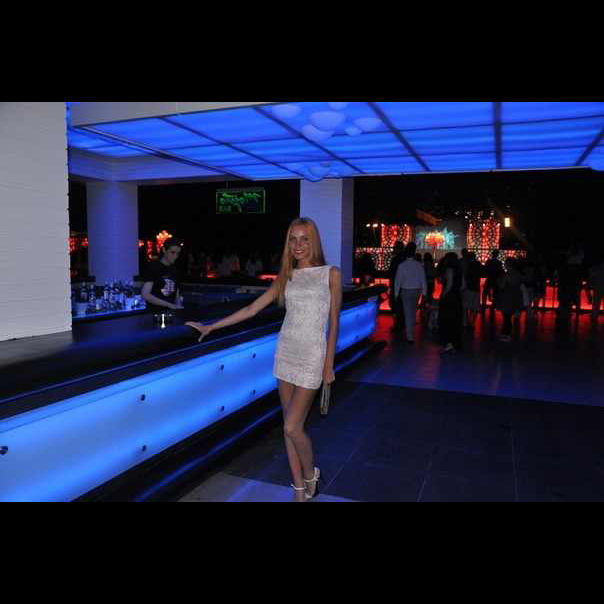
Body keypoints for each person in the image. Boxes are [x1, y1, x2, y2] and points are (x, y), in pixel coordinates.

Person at [186, 217, 342, 503]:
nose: (298, 245)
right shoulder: (286, 277)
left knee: (293, 426)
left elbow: (334, 323)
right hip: (286, 352)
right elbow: (251, 309)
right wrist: (211, 327)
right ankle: (298, 489)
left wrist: (328, 364)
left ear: (314, 241)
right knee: (288, 426)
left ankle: (311, 474)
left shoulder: (330, 274)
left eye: (304, 239)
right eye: (293, 239)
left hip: (312, 356)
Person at [394, 242, 427, 344]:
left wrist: (396, 293)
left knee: (407, 312)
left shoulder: (402, 265)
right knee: (413, 312)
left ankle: (410, 336)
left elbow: (397, 281)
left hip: (405, 290)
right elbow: (423, 279)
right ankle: (410, 333)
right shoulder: (419, 265)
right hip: (417, 290)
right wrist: (424, 292)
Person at [141, 238, 184, 312]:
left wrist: (178, 307)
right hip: (154, 313)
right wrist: (170, 305)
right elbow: (145, 294)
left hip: (171, 313)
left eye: (178, 253)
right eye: (172, 252)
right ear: (164, 250)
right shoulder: (153, 267)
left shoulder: (175, 270)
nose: (175, 256)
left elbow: (176, 293)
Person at [437, 252, 463, 353]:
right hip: (457, 297)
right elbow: (463, 286)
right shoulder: (459, 270)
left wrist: (444, 295)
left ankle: (448, 344)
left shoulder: (449, 269)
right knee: (455, 321)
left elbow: (449, 285)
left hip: (449, 298)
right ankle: (454, 344)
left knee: (446, 321)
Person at [496, 257, 523, 342]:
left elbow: (502, 286)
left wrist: (500, 280)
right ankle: (505, 333)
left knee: (506, 317)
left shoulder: (507, 275)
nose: (504, 265)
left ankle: (506, 334)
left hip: (507, 298)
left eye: (505, 263)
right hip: (513, 297)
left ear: (509, 265)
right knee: (507, 316)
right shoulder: (517, 274)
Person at [388, 242, 406, 333]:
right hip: (404, 286)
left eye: (395, 248)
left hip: (396, 286)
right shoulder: (405, 259)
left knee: (395, 306)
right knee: (401, 306)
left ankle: (398, 325)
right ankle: (401, 324)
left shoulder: (395, 260)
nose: (393, 249)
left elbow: (391, 273)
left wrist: (391, 285)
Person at [462, 251, 482, 329]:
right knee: (474, 307)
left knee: (465, 306)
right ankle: (472, 322)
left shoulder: (467, 265)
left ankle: (465, 322)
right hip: (476, 288)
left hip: (468, 288)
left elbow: (465, 275)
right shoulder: (478, 264)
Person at [587, 253, 604, 324]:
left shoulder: (595, 268)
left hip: (597, 287)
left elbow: (591, 277)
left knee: (596, 303)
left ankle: (594, 317)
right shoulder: (596, 268)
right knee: (596, 303)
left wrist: (590, 284)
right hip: (599, 286)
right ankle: (594, 316)